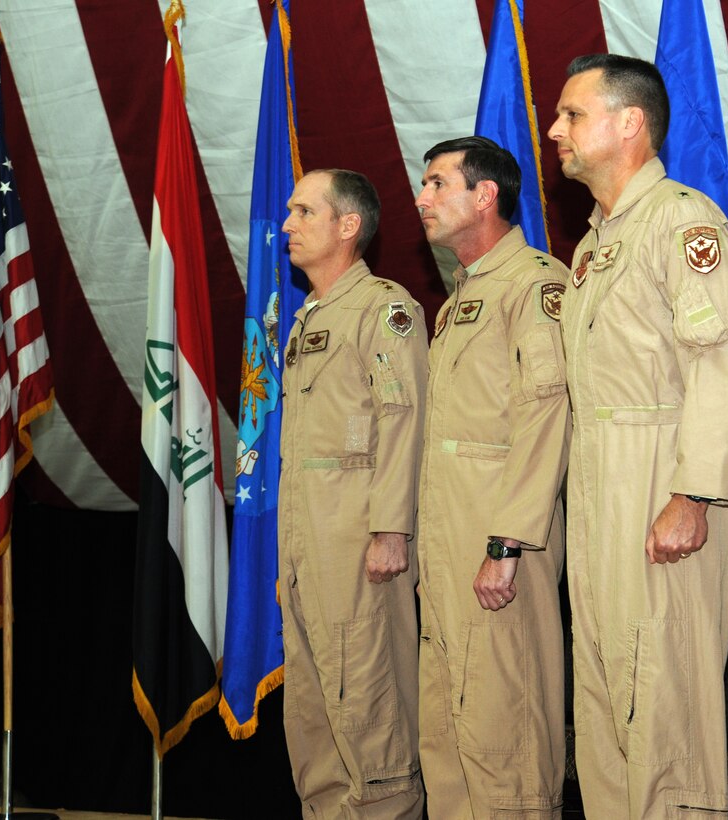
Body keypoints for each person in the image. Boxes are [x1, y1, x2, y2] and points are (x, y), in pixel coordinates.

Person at [547, 55, 728, 818]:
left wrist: (693, 492)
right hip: (601, 479)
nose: (555, 130)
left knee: (660, 699)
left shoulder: (682, 220)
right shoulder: (590, 249)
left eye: (573, 114)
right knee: (608, 704)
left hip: (661, 476)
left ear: (629, 123)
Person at [413, 136, 571, 819]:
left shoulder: (534, 284)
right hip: (448, 541)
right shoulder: (458, 301)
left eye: (437, 183)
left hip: (501, 543)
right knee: (448, 732)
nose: (421, 199)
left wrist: (506, 544)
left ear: (484, 195)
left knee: (502, 726)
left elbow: (545, 416)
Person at [278, 169, 427, 818]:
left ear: (347, 226)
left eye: (303, 211)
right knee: (313, 712)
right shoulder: (309, 316)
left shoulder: (382, 309)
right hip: (307, 537)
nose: (286, 224)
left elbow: (403, 419)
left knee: (367, 703)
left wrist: (389, 529)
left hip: (358, 538)